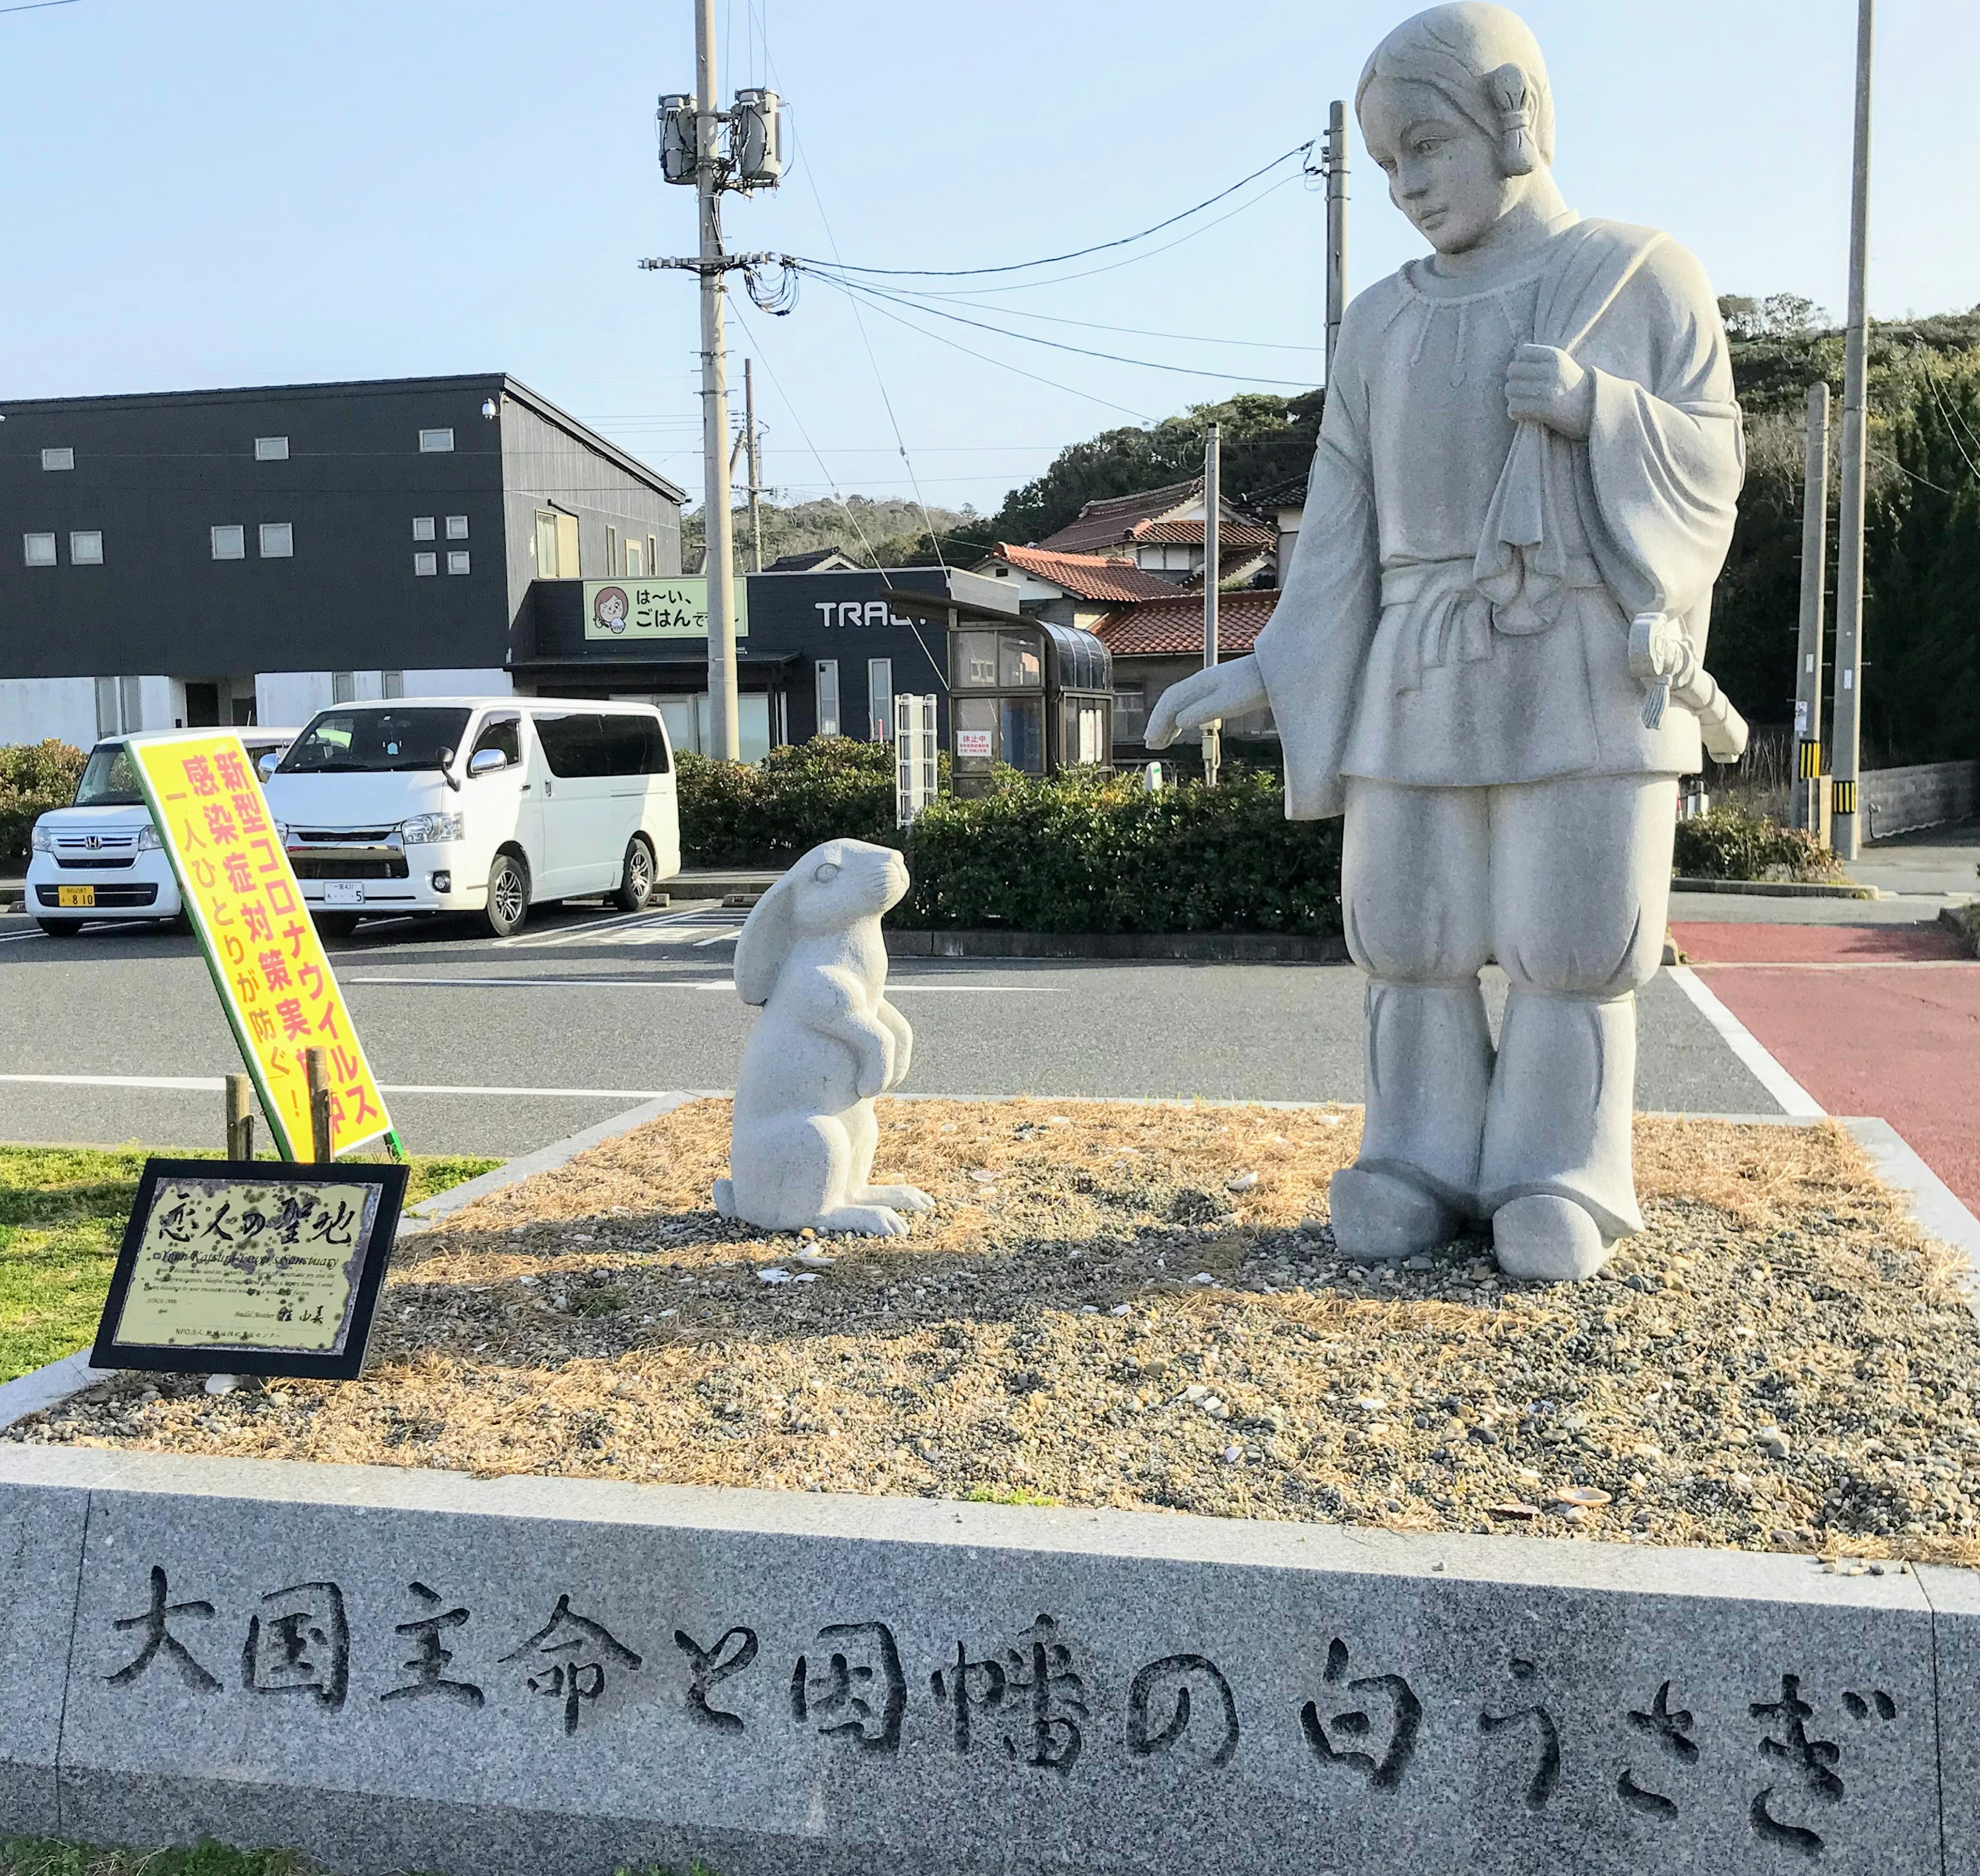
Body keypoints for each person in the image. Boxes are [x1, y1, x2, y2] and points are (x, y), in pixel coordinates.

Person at [1146, 2, 1744, 1280]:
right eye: (1388, 165)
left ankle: (1562, 1170)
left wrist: (1599, 411)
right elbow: (1341, 537)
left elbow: (1714, 463)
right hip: (1414, 661)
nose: (1409, 185)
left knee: (1572, 937)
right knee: (1407, 929)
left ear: (1512, 118)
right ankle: (1416, 1149)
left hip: (1584, 651)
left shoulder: (1640, 275)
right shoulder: (1381, 321)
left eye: (1428, 146)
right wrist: (1267, 666)